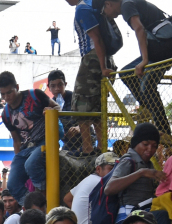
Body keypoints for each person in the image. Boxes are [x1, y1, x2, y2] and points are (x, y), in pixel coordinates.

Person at [117, 0, 172, 136]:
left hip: (162, 48)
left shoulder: (126, 4)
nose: (109, 16)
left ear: (109, 3)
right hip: (165, 48)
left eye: (104, 10)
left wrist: (144, 60)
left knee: (147, 85)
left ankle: (164, 131)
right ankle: (147, 107)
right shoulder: (137, 4)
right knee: (126, 73)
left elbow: (139, 29)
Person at [67, 0, 123, 156]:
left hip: (93, 59)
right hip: (105, 58)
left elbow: (96, 38)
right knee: (98, 105)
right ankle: (101, 147)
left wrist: (102, 66)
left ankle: (88, 149)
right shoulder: (94, 6)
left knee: (81, 103)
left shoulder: (82, 9)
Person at [0, 70, 55, 205]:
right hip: (25, 148)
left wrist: (51, 112)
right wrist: (18, 162)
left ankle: (44, 200)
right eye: (3, 94)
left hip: (45, 141)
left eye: (9, 92)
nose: (7, 97)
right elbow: (16, 140)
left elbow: (56, 107)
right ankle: (33, 206)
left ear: (17, 87)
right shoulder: (6, 114)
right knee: (12, 184)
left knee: (31, 164)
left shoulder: (34, 95)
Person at [106, 123, 166, 224]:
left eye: (154, 146)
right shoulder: (128, 161)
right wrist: (141, 173)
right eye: (145, 144)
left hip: (143, 214)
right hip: (127, 213)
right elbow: (109, 188)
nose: (150, 149)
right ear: (135, 143)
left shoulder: (147, 163)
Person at [64, 151, 119, 224]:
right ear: (98, 169)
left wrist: (83, 212)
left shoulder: (88, 179)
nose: (115, 172)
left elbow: (67, 198)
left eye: (117, 168)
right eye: (111, 169)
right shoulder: (100, 182)